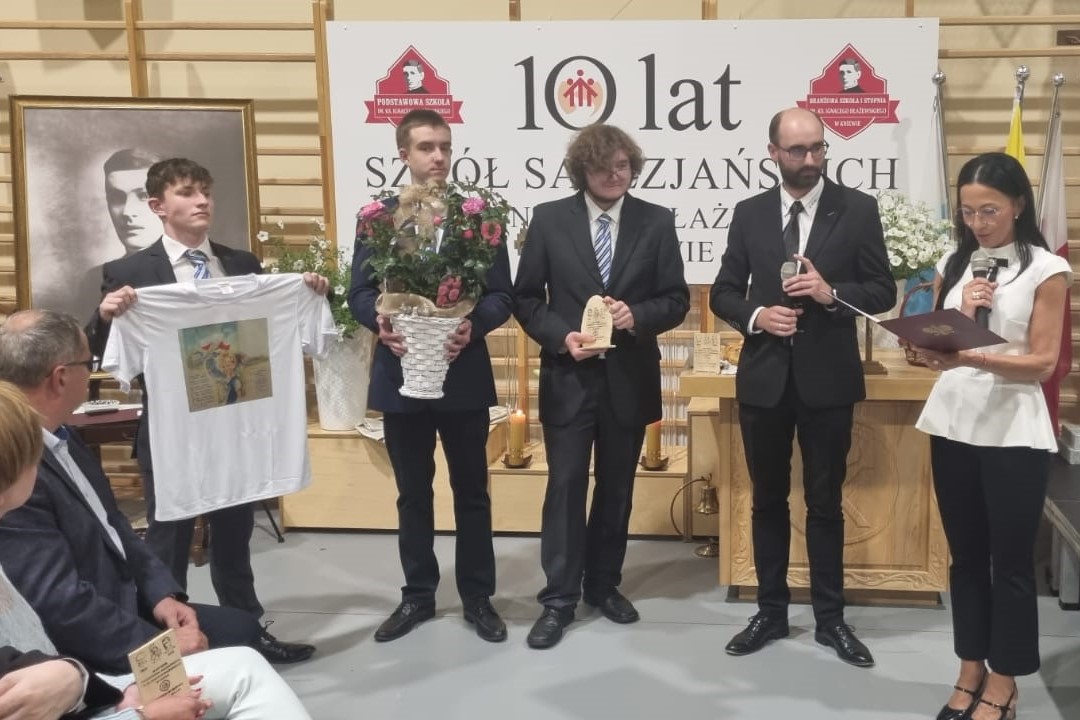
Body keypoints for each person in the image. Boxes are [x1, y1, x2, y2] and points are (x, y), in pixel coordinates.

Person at [83, 158, 325, 664]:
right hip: (172, 432)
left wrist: (308, 292)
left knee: (235, 538)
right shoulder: (130, 273)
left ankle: (249, 633)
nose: (202, 202)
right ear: (158, 206)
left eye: (206, 192)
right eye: (188, 193)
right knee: (167, 542)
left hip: (235, 427)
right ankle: (166, 648)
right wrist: (105, 317)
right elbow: (104, 351)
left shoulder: (243, 264)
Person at [0, 380, 312, 720]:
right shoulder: (24, 501)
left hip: (84, 677)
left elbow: (115, 526)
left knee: (242, 638)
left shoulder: (64, 440)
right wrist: (138, 709)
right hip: (90, 656)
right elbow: (58, 612)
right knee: (243, 668)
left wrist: (161, 595)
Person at [710, 107, 895, 667]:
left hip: (828, 381)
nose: (811, 159)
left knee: (825, 501)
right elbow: (723, 292)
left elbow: (883, 291)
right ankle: (770, 612)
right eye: (798, 150)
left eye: (818, 148)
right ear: (773, 153)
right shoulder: (749, 213)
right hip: (764, 379)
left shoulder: (857, 209)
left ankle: (830, 619)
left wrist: (829, 292)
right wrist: (757, 316)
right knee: (766, 500)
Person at [513, 123, 689, 650]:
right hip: (569, 377)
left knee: (617, 488)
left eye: (622, 166)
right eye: (602, 167)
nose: (614, 176)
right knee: (565, 486)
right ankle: (558, 599)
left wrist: (637, 316)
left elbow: (676, 300)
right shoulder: (549, 220)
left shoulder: (656, 221)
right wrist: (560, 337)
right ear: (581, 170)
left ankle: (603, 585)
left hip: (628, 378)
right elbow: (526, 299)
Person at [912, 152, 1070, 720]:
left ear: (1018, 204)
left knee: (1010, 562)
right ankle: (969, 668)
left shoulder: (1047, 269)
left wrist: (973, 355)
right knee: (965, 557)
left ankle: (1004, 679)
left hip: (1013, 428)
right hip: (953, 420)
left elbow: (1044, 362)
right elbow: (934, 345)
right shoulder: (954, 260)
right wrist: (932, 343)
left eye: (990, 211)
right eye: (968, 211)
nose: (977, 223)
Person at [348, 109, 512, 643]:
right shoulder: (377, 218)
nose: (438, 156)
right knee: (413, 495)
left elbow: (501, 295)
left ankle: (478, 597)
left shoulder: (479, 217)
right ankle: (417, 596)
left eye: (444, 146)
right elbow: (358, 292)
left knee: (472, 493)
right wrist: (380, 322)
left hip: (462, 376)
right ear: (404, 154)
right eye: (426, 147)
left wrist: (473, 326)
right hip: (402, 375)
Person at [104, 148, 163, 256]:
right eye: (117, 198)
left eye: (143, 196)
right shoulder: (105, 269)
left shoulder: (193, 265)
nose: (127, 212)